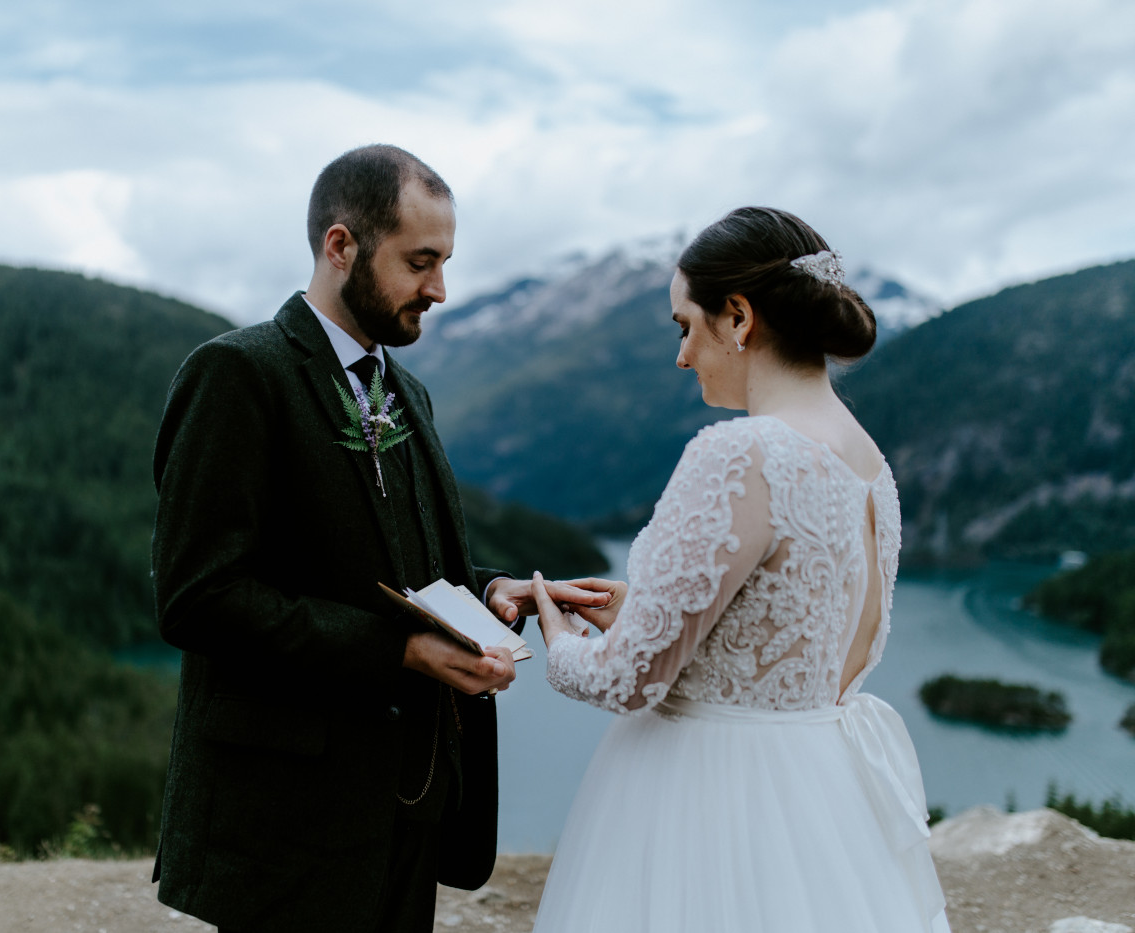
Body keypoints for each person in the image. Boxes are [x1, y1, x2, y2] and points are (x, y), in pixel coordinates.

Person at [149, 144, 608, 933]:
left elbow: (418, 567)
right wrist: (396, 651)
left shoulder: (408, 390)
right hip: (288, 821)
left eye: (444, 262)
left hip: (409, 803)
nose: (439, 288)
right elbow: (200, 598)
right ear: (340, 245)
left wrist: (494, 590)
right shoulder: (237, 373)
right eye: (420, 261)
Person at [527, 207, 951, 932]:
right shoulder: (870, 464)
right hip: (821, 798)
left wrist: (558, 637)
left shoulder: (740, 452)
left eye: (684, 325)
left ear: (739, 317)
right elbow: (817, 638)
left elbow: (627, 680)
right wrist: (653, 605)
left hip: (708, 794)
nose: (682, 355)